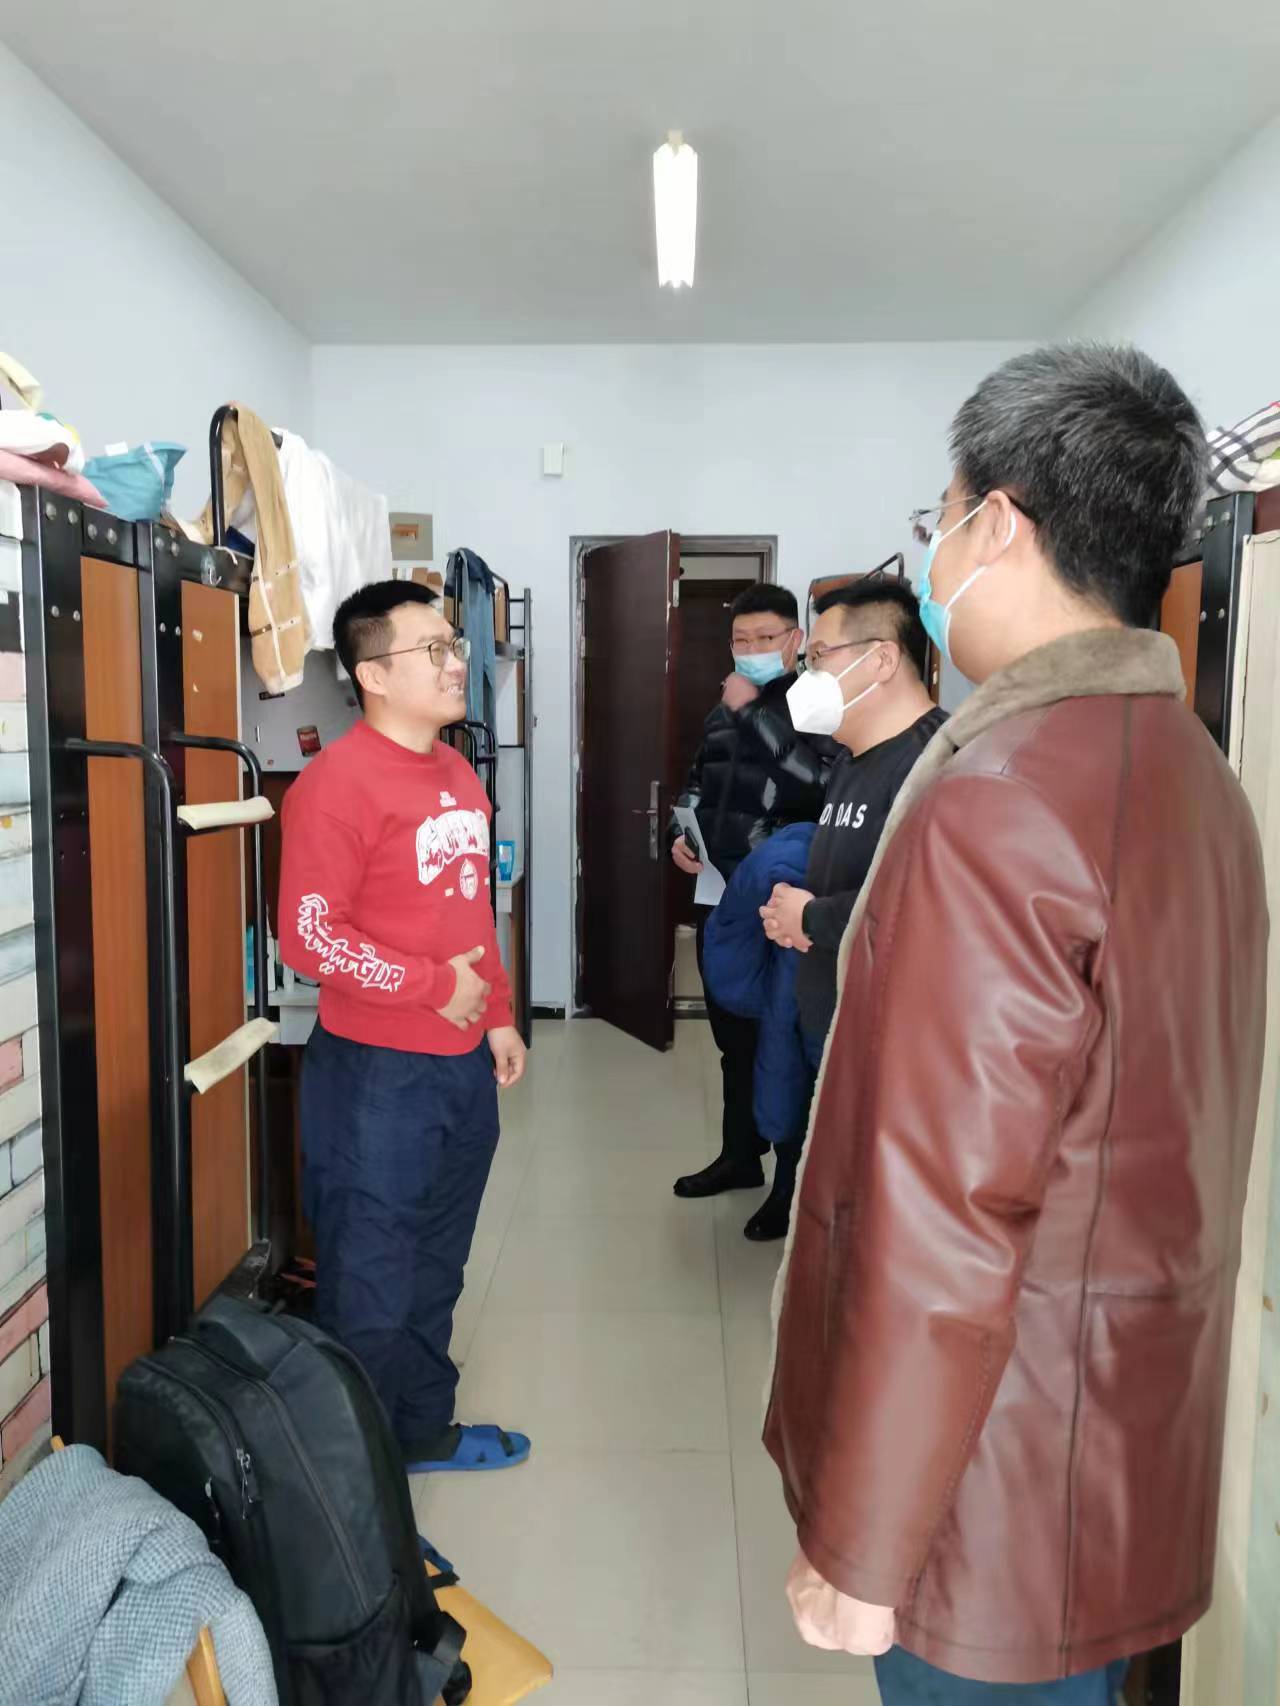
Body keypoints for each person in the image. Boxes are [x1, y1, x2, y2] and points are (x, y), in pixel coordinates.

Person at [766, 344, 1268, 1704]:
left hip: (987, 1484)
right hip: (1110, 1444)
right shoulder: (1191, 769)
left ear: (997, 522)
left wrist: (865, 1537)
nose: (934, 551)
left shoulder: (1001, 792)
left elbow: (948, 1209)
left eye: (939, 517)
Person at [279, 580, 530, 1475]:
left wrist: (495, 1014)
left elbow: (470, 910)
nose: (458, 663)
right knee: (368, 1288)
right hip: (375, 1078)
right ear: (373, 674)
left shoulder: (458, 774)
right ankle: (358, 1499)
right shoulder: (334, 785)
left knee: (436, 1266)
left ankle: (419, 1431)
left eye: (454, 645)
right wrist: (433, 986)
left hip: (460, 1071)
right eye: (435, 650)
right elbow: (309, 936)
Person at [748, 577, 947, 1240]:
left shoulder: (935, 763)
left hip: (892, 1048)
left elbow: (925, 911)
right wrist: (800, 917)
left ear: (882, 659)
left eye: (819, 657)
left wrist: (810, 918)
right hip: (833, 1023)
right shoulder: (852, 760)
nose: (807, 676)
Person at [669, 584, 830, 1201]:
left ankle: (791, 1180)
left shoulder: (819, 704)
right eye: (742, 640)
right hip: (720, 893)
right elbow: (696, 785)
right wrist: (677, 836)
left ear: (795, 640)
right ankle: (740, 1156)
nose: (752, 649)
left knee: (784, 1040)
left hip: (781, 900)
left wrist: (753, 714)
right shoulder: (722, 711)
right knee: (733, 1040)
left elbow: (820, 784)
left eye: (766, 638)